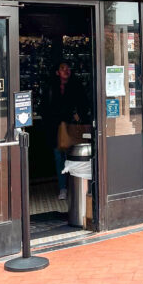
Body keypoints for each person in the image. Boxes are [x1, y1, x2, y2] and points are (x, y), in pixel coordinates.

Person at [48, 61, 86, 200]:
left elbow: (84, 103)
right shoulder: (52, 88)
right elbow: (47, 108)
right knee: (59, 158)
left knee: (75, 156)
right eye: (63, 68)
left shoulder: (76, 86)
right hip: (57, 129)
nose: (66, 71)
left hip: (73, 128)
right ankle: (63, 188)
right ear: (57, 72)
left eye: (68, 68)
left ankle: (76, 186)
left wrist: (79, 115)